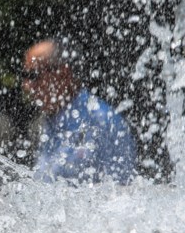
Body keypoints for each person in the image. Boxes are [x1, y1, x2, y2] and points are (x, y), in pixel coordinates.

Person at [22, 40, 137, 184]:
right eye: (24, 75)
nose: (27, 86)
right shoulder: (52, 119)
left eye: (33, 75)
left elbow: (122, 193)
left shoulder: (102, 121)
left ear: (62, 73)